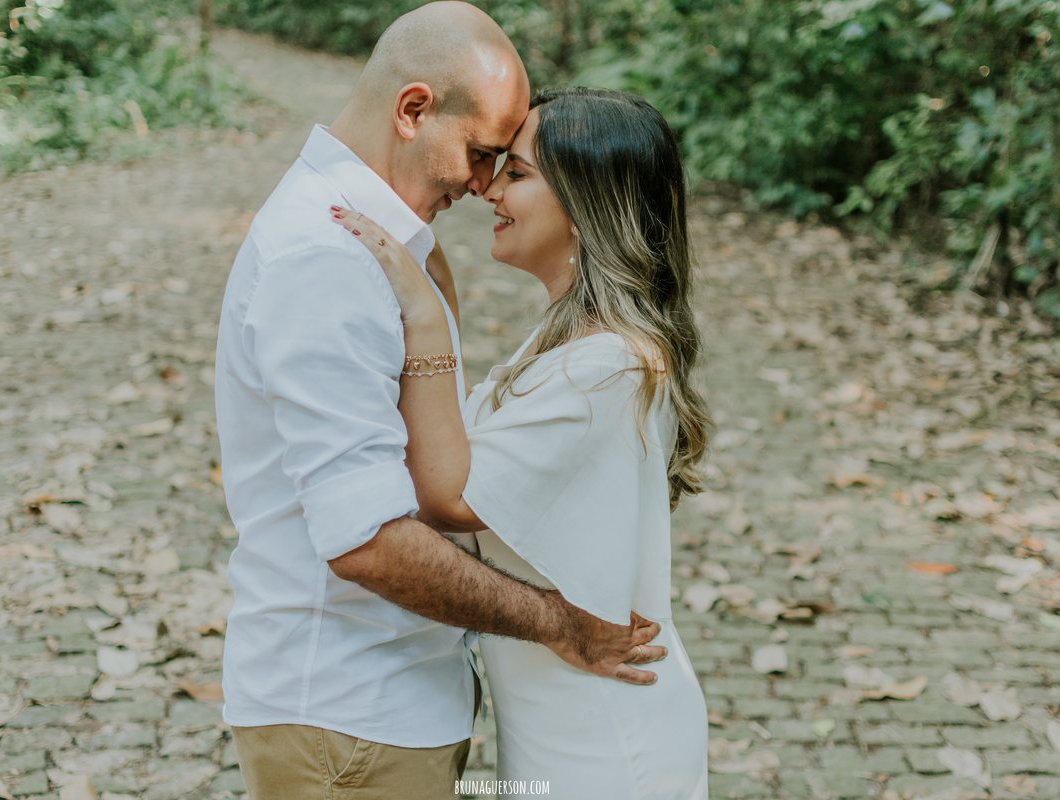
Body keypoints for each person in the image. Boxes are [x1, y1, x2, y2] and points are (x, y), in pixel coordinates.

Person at [213, 4, 668, 798]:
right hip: (348, 716)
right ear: (414, 109)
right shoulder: (328, 258)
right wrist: (557, 623)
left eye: (509, 166)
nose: (485, 183)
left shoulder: (384, 250)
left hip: (383, 707)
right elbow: (367, 540)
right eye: (484, 153)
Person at [330, 87, 711, 799]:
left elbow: (451, 494)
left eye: (518, 172)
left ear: (587, 204)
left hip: (604, 744)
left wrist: (426, 317)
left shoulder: (610, 364)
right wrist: (431, 274)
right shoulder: (565, 342)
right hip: (556, 729)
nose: (489, 190)